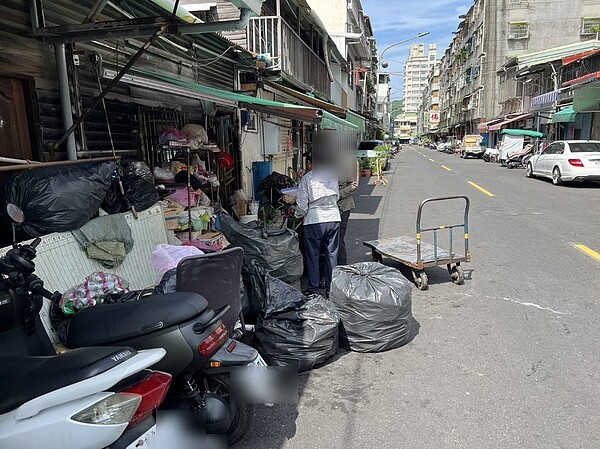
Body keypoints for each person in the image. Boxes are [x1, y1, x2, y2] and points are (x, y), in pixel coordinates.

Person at [294, 150, 340, 297]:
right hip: (333, 218)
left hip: (315, 221)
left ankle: (314, 288)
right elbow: (337, 196)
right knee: (331, 255)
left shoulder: (307, 179)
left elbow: (302, 206)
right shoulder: (332, 175)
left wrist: (297, 216)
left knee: (313, 255)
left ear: (309, 163)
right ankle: (331, 288)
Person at [337, 173, 358, 265]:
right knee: (335, 238)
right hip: (329, 207)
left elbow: (354, 185)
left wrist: (337, 195)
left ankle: (341, 265)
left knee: (339, 237)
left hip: (343, 206)